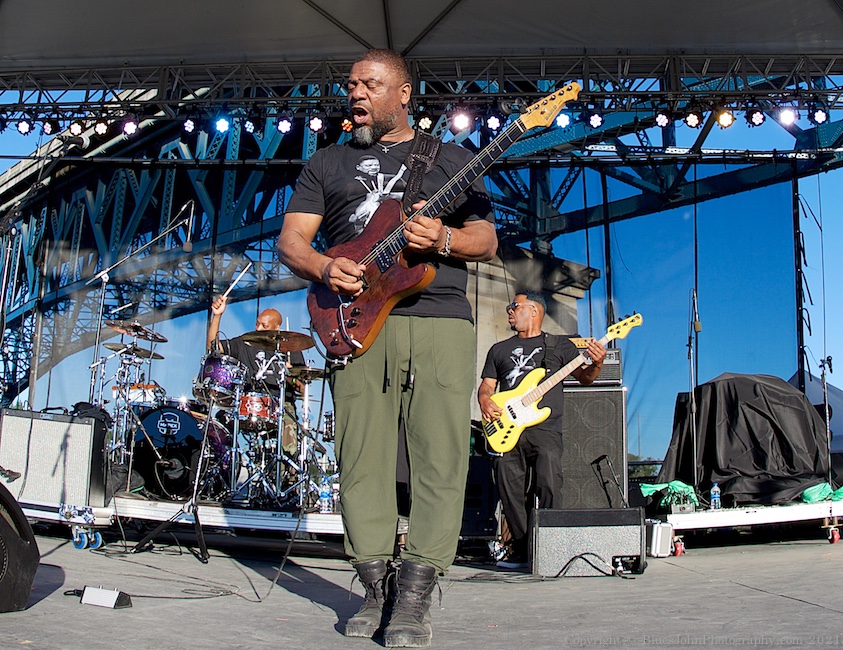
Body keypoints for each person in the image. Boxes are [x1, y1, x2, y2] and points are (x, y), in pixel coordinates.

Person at [277, 49, 497, 647]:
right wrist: (326, 267)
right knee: (361, 454)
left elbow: (487, 237)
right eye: (351, 84)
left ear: (403, 94)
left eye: (370, 84)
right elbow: (291, 241)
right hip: (355, 318)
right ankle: (375, 584)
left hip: (439, 315)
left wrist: (446, 237)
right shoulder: (325, 163)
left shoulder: (450, 160)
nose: (356, 93)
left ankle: (418, 590)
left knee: (441, 454)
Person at [477, 290, 607, 569]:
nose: (509, 311)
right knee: (508, 487)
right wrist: (484, 399)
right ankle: (524, 550)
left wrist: (596, 362)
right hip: (507, 428)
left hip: (545, 429)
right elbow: (487, 386)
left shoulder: (560, 346)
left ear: (534, 310)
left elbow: (585, 378)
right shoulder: (498, 349)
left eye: (515, 306)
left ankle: (550, 548)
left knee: (549, 480)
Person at [206, 295, 304, 457]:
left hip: (279, 406)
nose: (258, 329)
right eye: (257, 324)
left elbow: (303, 388)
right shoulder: (245, 342)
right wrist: (217, 316)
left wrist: (288, 375)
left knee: (288, 426)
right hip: (247, 404)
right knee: (220, 419)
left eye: (263, 325)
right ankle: (223, 464)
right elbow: (213, 348)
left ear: (277, 328)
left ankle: (287, 472)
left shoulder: (290, 348)